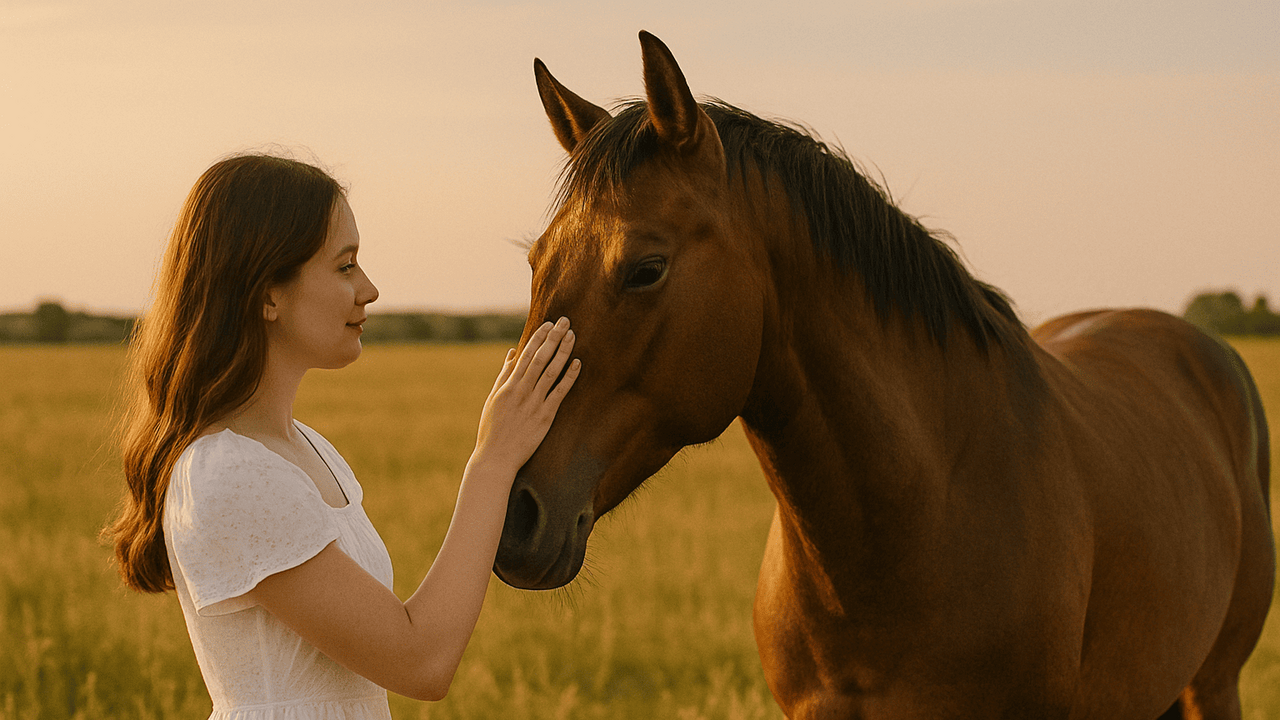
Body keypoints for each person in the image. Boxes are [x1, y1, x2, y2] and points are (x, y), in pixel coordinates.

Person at [104, 153, 580, 719]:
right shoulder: (230, 473)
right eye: (344, 266)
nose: (370, 289)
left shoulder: (306, 451)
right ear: (268, 294)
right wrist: (492, 462)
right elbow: (422, 661)